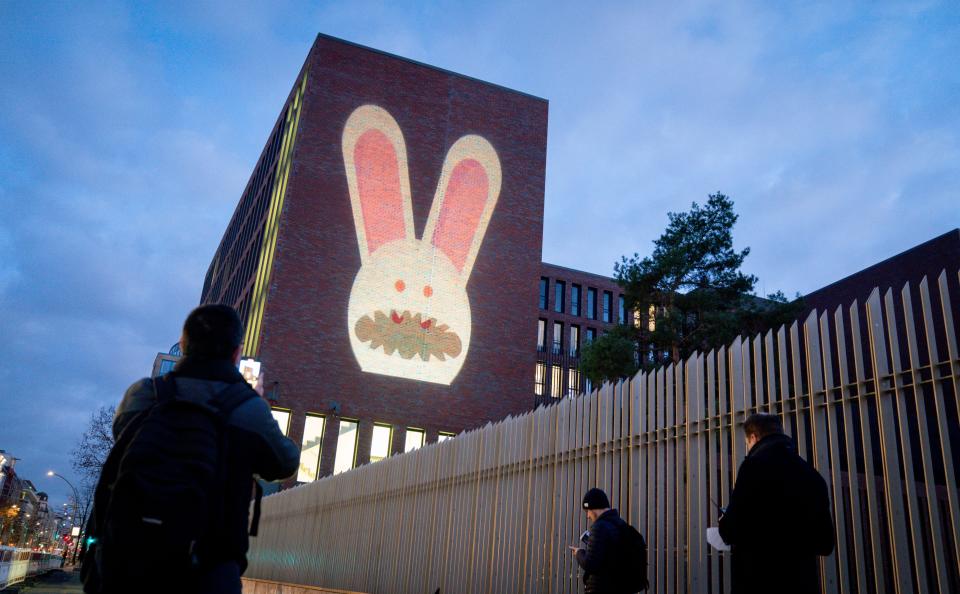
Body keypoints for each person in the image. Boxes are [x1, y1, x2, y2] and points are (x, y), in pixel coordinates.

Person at [82, 304, 299, 594]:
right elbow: (284, 463)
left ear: (184, 345)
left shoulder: (145, 394)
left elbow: (120, 432)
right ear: (236, 353)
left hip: (126, 561)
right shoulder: (247, 410)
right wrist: (255, 403)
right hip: (208, 572)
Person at [719, 413, 835, 594]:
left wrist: (725, 521)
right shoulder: (811, 475)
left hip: (759, 581)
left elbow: (731, 529)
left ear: (753, 438)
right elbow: (825, 543)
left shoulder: (752, 467)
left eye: (747, 443)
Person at [571, 488, 644, 594]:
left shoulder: (599, 527)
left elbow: (590, 564)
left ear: (593, 508)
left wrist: (579, 553)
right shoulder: (621, 525)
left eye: (587, 511)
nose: (587, 516)